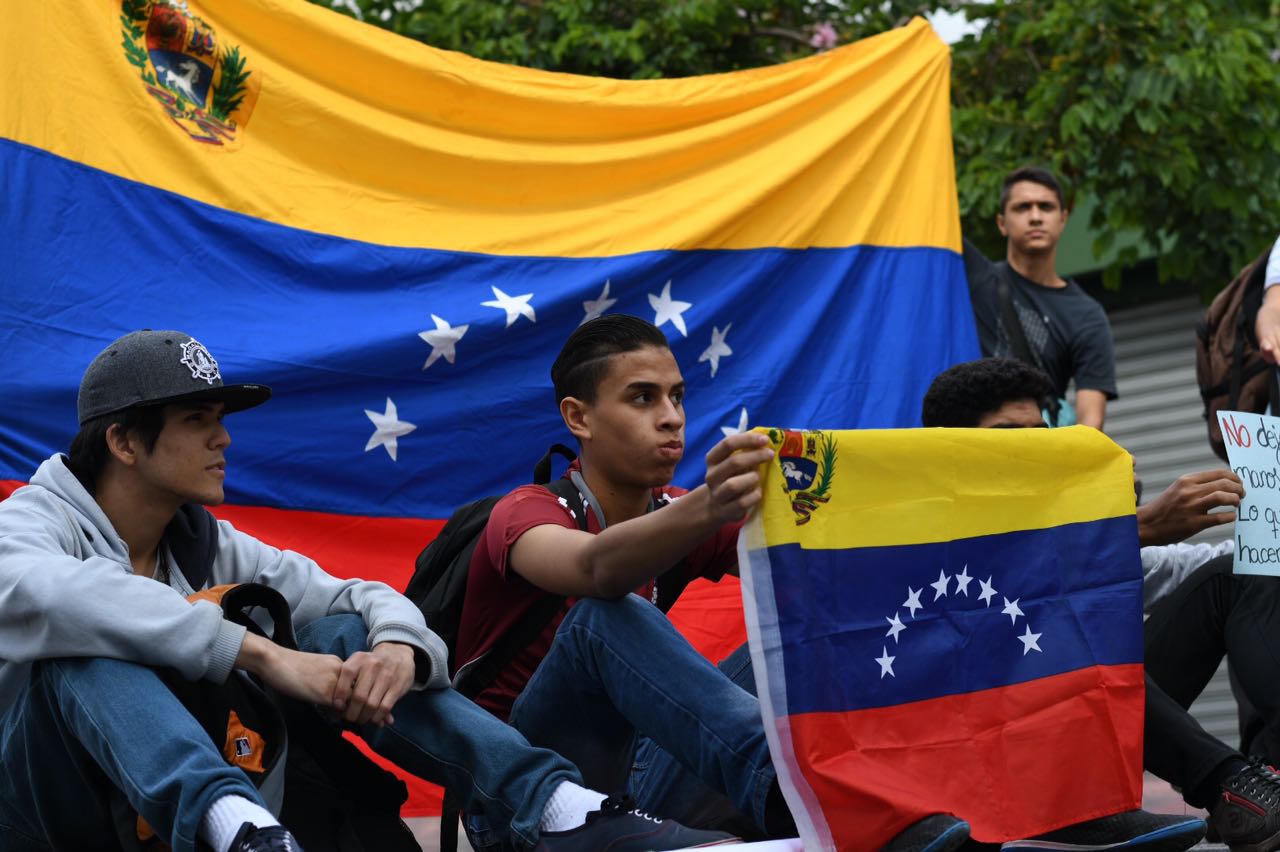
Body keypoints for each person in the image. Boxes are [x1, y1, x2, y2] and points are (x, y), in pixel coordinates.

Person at [454, 314, 1203, 852]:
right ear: (577, 417)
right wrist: (713, 505)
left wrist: (1126, 526)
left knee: (828, 613)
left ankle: (1046, 807)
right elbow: (594, 569)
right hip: (524, 803)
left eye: (678, 396)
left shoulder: (676, 511)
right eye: (643, 398)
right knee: (602, 620)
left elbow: (875, 558)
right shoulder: (528, 512)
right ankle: (817, 802)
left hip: (640, 788)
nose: (673, 419)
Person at [0, 330, 736, 852]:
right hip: (48, 813)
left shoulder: (206, 541)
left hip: (163, 817)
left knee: (344, 634)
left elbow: (354, 594)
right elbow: (55, 594)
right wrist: (261, 654)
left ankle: (554, 804)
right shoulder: (30, 523)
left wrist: (397, 649)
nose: (224, 441)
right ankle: (238, 827)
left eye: (221, 422)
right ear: (126, 443)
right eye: (199, 422)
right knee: (85, 645)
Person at [921, 357, 1280, 852]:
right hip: (978, 752)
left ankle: (1266, 788)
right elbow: (1011, 579)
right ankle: (1227, 782)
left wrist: (1270, 538)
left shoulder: (1069, 516)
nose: (1032, 447)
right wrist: (1130, 527)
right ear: (954, 451)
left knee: (1242, 574)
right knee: (1051, 616)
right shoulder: (922, 532)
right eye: (1008, 433)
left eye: (1039, 432)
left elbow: (1185, 565)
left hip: (1080, 731)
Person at [963, 166, 1117, 429]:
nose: (1035, 217)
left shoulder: (1086, 315)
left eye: (1046, 207)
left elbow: (1091, 422)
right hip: (975, 447)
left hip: (1041, 452)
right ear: (1002, 223)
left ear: (1063, 219)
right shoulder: (976, 278)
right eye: (1022, 208)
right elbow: (924, 206)